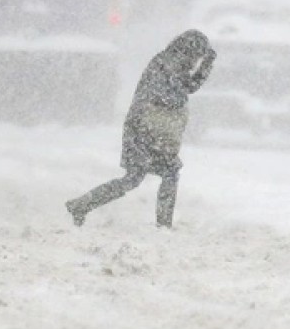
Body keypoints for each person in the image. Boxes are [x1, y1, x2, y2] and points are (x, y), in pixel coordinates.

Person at [66, 29, 217, 228]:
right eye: (197, 56)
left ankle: (83, 205)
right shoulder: (165, 64)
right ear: (188, 51)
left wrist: (205, 67)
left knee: (152, 175)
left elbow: (187, 87)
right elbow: (175, 92)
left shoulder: (170, 63)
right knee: (143, 176)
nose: (196, 61)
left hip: (153, 131)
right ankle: (83, 205)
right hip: (144, 131)